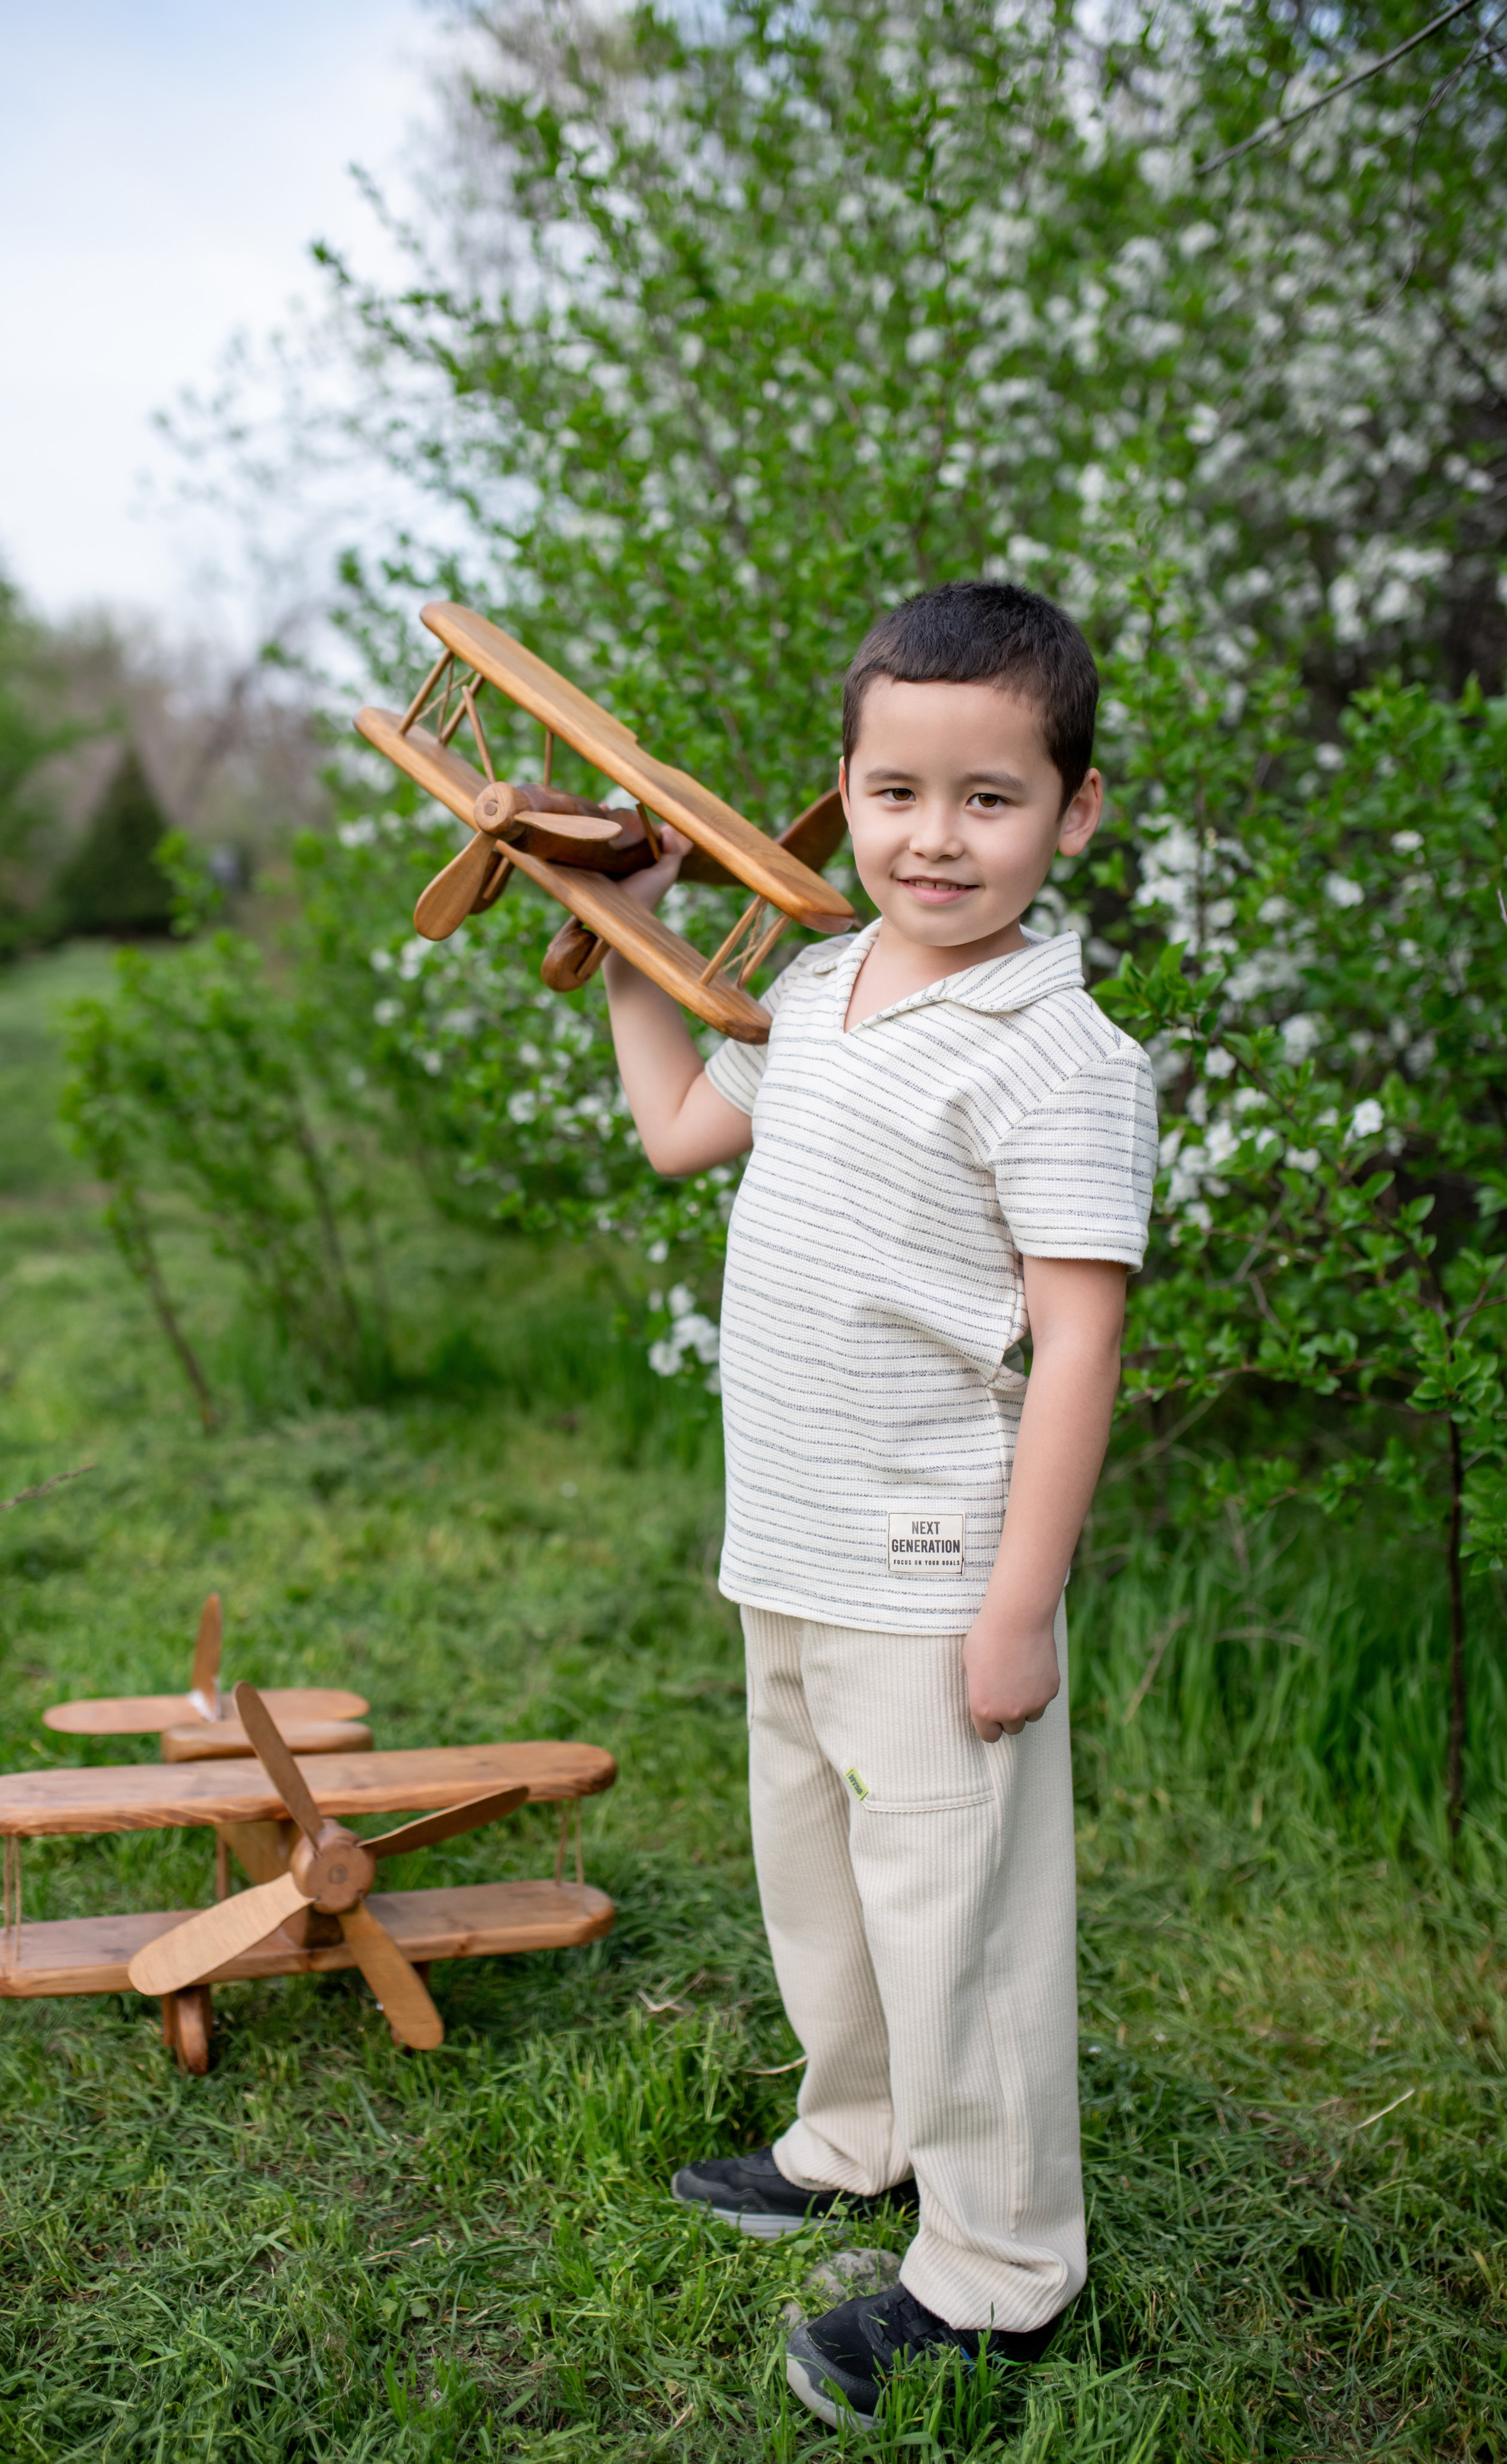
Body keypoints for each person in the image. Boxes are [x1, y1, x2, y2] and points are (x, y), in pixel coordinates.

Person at [601, 579, 1157, 2432]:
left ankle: (1001, 2274)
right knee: (820, 1881)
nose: (936, 837)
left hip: (937, 1569)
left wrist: (1019, 1606)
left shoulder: (1060, 1058)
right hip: (795, 1541)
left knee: (963, 1926)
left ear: (1072, 813)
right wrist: (629, 947)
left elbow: (1077, 1350)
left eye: (990, 798)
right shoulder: (827, 985)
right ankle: (857, 2140)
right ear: (841, 789)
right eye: (897, 792)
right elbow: (686, 1131)